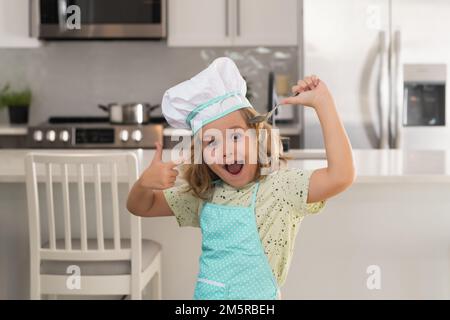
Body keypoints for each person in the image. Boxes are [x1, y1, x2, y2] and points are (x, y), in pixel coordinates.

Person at [127, 57, 355, 300]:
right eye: (211, 141)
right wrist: (144, 184)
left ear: (257, 136)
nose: (225, 150)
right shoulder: (204, 194)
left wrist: (323, 104)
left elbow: (341, 175)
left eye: (235, 136)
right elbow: (142, 206)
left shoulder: (280, 189)